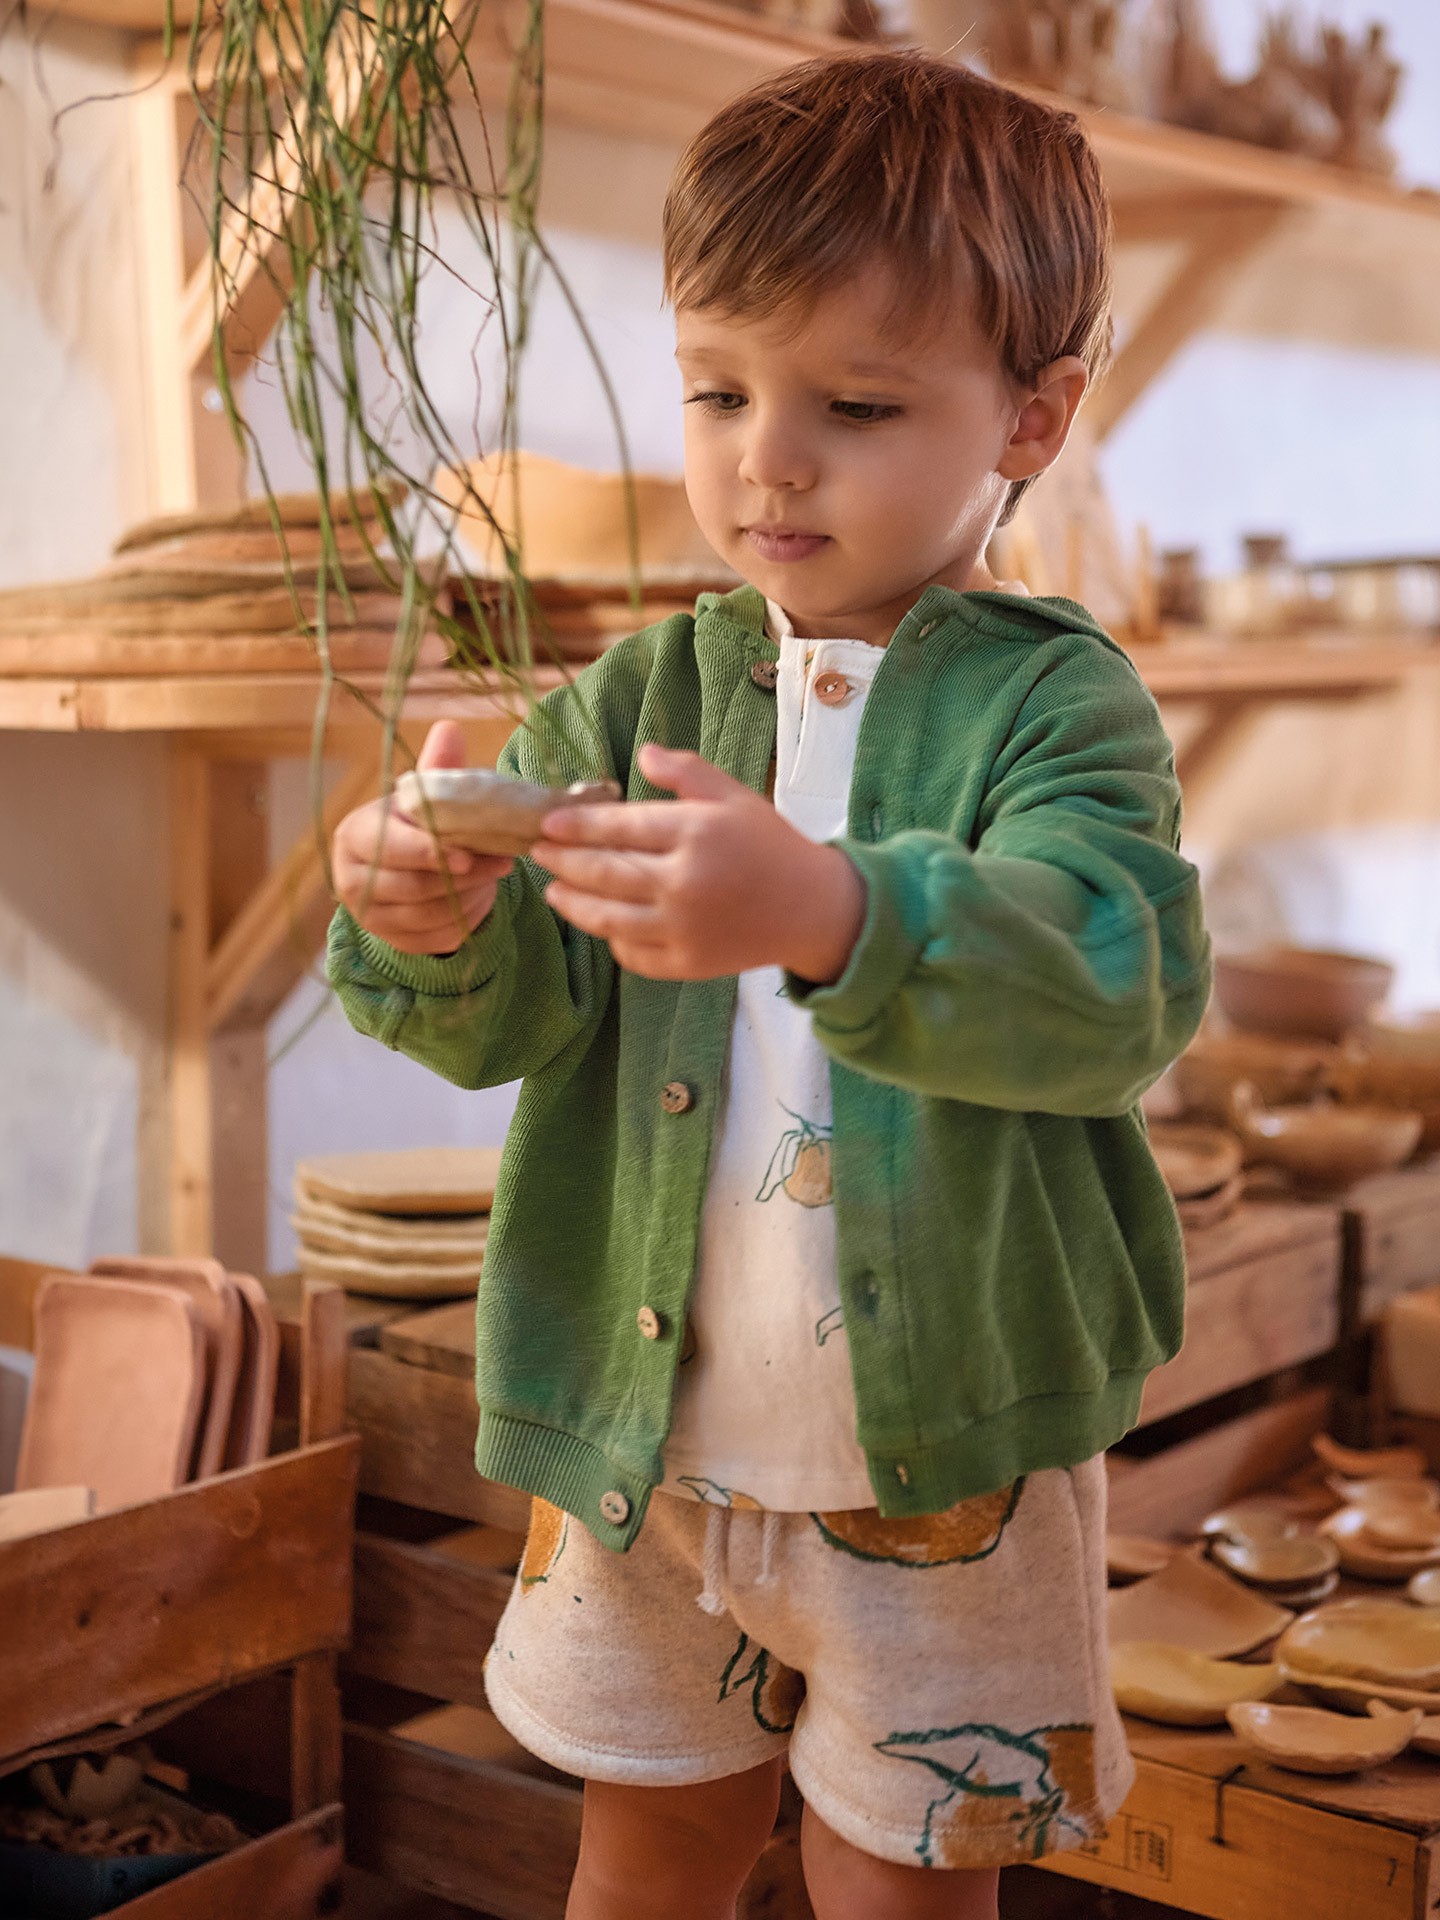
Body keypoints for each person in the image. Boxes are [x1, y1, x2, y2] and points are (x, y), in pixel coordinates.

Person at [327, 49, 1210, 1920]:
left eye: (857, 402)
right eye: (717, 390)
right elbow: (511, 1020)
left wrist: (828, 908)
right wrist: (423, 919)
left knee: (902, 1880)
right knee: (645, 1840)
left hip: (947, 1456)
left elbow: (1116, 977)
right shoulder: (644, 696)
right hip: (648, 1445)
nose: (764, 457)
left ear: (1032, 419)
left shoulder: (1057, 702)